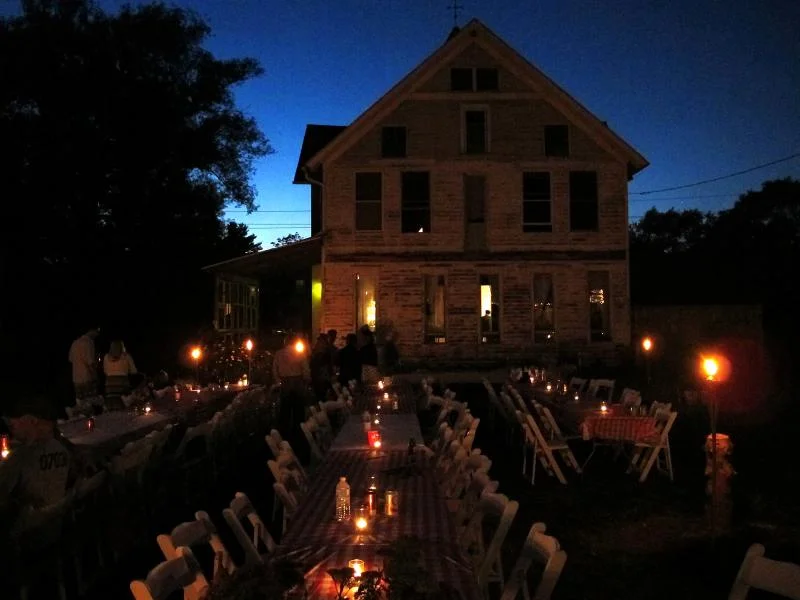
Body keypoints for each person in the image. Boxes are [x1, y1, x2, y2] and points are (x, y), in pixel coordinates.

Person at [0, 391, 76, 538]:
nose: (12, 428)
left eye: (14, 424)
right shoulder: (63, 450)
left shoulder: (20, 457)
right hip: (56, 527)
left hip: (26, 537)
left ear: (31, 421)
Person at [272, 336, 311, 445]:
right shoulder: (299, 353)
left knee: (285, 409)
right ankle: (299, 434)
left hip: (285, 383)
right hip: (297, 381)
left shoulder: (279, 354)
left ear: (285, 342)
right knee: (298, 409)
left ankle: (284, 436)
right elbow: (306, 369)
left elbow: (274, 370)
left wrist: (278, 381)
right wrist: (306, 380)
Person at [68, 327, 100, 408]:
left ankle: (78, 413)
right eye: (97, 331)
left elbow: (71, 359)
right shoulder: (89, 342)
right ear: (91, 330)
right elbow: (90, 362)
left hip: (76, 378)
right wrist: (95, 374)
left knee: (80, 401)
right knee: (90, 401)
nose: (98, 334)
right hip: (87, 377)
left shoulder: (75, 343)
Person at [103, 340, 138, 408]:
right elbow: (134, 371)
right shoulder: (126, 356)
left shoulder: (106, 357)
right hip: (123, 385)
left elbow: (105, 371)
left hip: (109, 387)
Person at [309, 334, 333, 403]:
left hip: (321, 379)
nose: (318, 343)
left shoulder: (324, 353)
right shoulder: (318, 353)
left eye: (320, 341)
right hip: (318, 378)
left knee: (321, 398)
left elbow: (326, 367)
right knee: (320, 398)